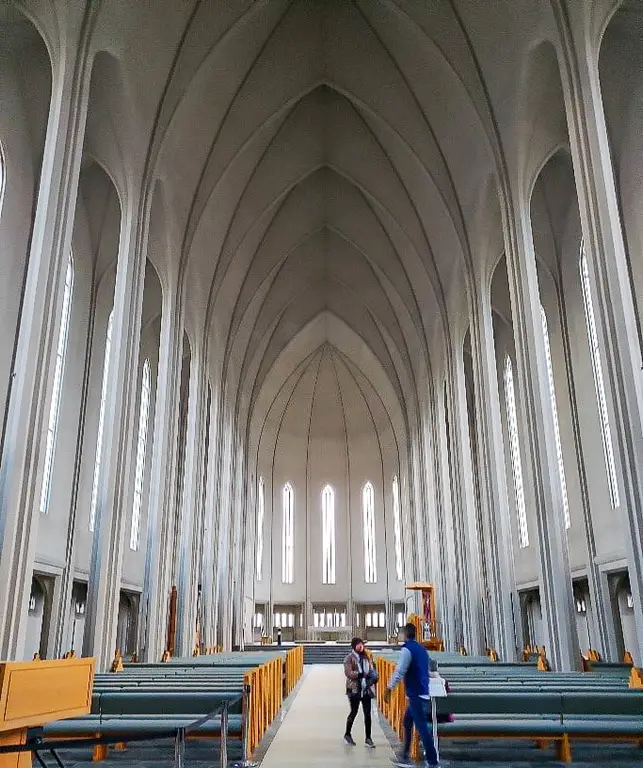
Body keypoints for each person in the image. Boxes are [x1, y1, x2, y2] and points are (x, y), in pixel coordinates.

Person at [383, 623, 439, 768]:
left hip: (416, 694)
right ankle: (404, 755)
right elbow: (428, 669)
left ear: (405, 634)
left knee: (422, 728)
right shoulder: (422, 649)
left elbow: (400, 670)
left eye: (401, 633)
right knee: (407, 721)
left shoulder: (408, 650)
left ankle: (433, 761)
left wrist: (389, 688)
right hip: (422, 691)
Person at [343, 637, 376, 748]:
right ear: (354, 646)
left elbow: (371, 669)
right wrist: (360, 675)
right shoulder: (349, 658)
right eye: (358, 644)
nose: (361, 646)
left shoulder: (367, 657)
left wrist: (373, 676)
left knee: (367, 714)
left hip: (366, 689)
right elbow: (348, 673)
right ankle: (347, 734)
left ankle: (368, 738)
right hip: (354, 690)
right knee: (354, 712)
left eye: (362, 644)